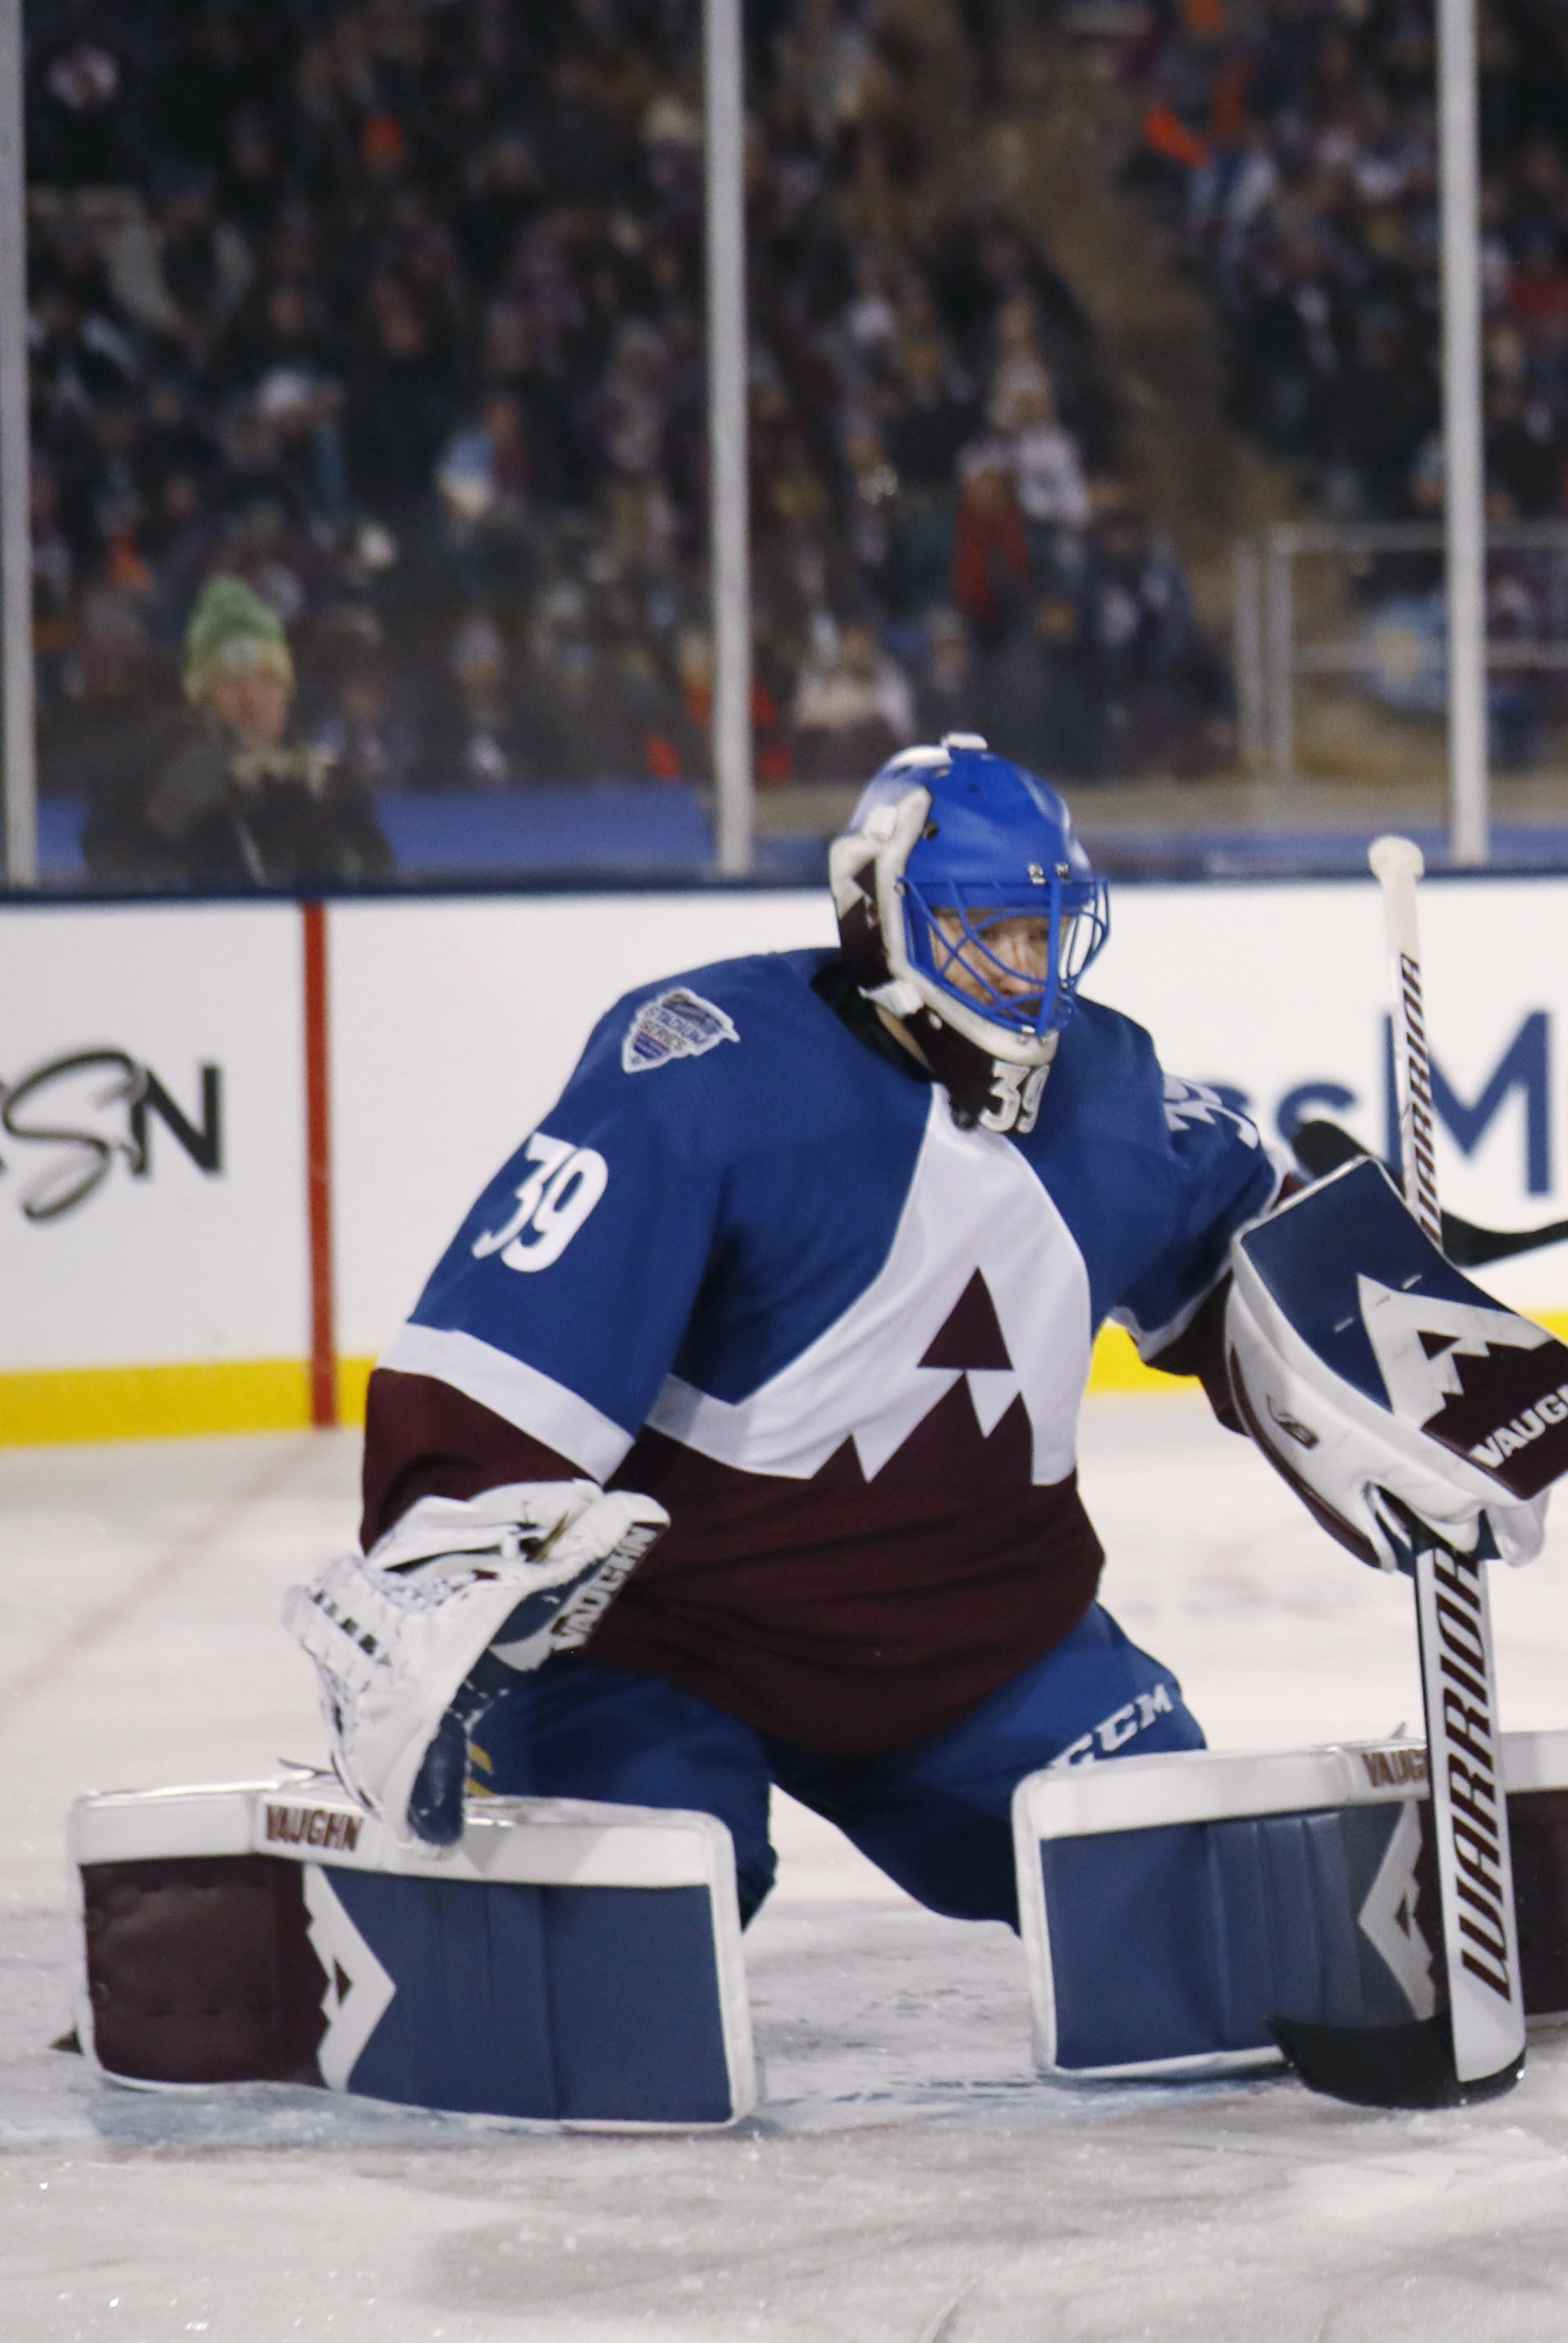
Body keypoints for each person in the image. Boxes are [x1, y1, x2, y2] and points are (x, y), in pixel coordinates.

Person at [280, 737, 1275, 1926]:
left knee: (1175, 1877)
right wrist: (445, 1561)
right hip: (671, 1645)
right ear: (880, 919)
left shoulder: (1104, 1093)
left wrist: (1392, 1325)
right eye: (986, 932)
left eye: (1043, 934)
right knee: (645, 1911)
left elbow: (1254, 1242)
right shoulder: (706, 1070)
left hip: (977, 1644)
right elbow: (515, 1333)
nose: (1025, 974)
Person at [83, 575, 392, 889]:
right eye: (231, 683)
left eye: (267, 681)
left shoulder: (326, 779)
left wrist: (321, 815)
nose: (251, 701)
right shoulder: (151, 771)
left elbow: (376, 878)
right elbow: (107, 868)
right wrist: (166, 818)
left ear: (286, 694)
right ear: (202, 701)